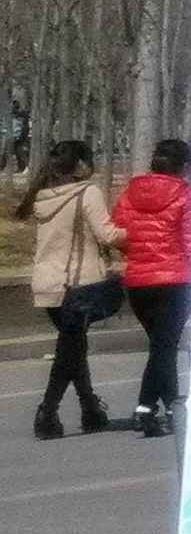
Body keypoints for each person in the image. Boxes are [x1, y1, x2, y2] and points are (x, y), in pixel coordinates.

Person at [25, 141, 122, 439]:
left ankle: (90, 409)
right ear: (80, 164)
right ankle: (47, 411)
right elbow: (107, 234)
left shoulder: (43, 196)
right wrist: (142, 233)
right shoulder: (87, 192)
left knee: (73, 347)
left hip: (47, 283)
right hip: (78, 284)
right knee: (69, 352)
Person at [112, 136, 191, 435]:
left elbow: (120, 233)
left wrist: (138, 255)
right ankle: (146, 407)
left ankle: (170, 407)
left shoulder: (129, 193)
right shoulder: (185, 194)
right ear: (184, 166)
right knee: (164, 347)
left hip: (138, 281)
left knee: (161, 347)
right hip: (175, 280)